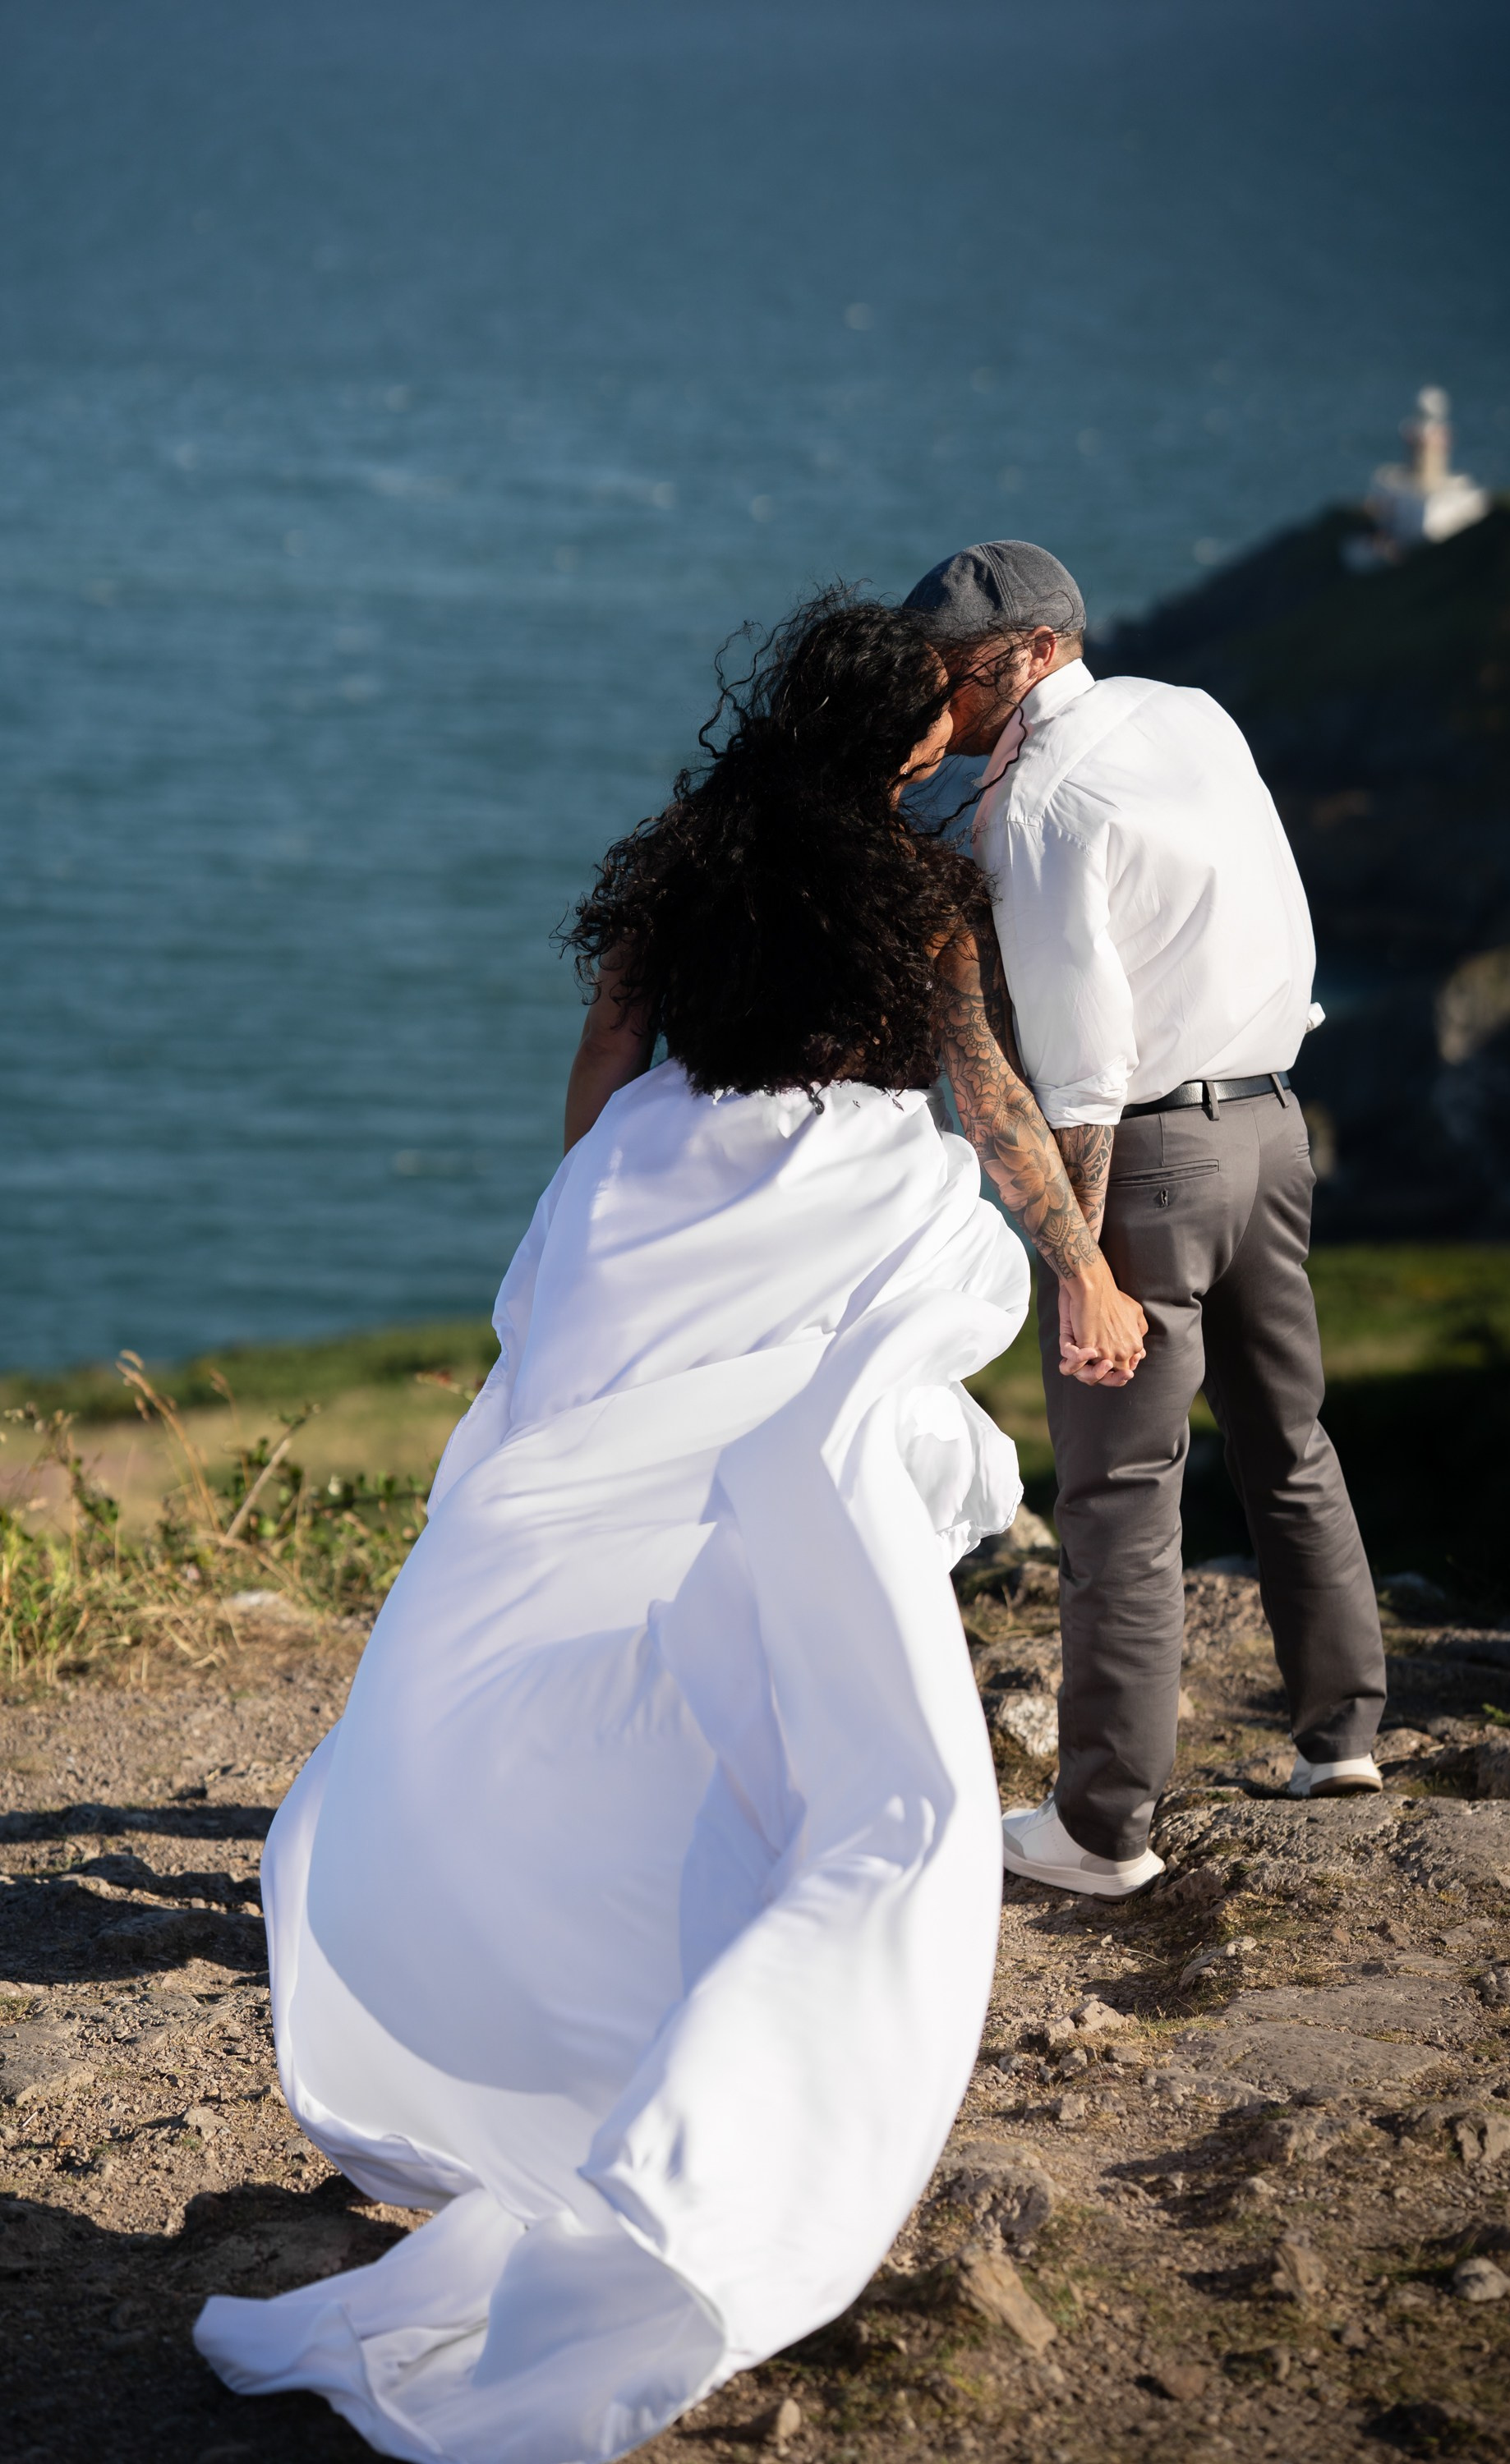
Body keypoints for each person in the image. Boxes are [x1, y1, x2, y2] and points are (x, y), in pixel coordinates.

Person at [195, 591, 1117, 2463]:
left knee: (550, 1567)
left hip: (646, 1206)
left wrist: (577, 1236)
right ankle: (745, 1906)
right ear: (913, 737)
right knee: (798, 1550)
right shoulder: (917, 893)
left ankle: (549, 1938)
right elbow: (986, 1099)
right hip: (819, 1222)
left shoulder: (684, 859)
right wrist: (1084, 1265)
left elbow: (609, 1061)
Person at [904, 540, 1388, 1901]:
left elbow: (1084, 1061)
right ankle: (1341, 1737)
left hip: (1153, 1158)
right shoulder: (1189, 710)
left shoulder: (1036, 804)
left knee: (1120, 1491)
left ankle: (1104, 1827)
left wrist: (1081, 1263)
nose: (934, 700)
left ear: (1030, 653)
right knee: (1288, 1437)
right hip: (1273, 1123)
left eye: (948, 673)